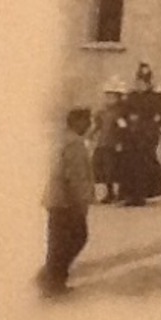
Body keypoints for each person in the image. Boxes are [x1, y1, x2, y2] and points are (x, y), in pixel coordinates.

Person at [38, 107, 95, 298]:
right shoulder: (75, 145)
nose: (90, 125)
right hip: (66, 201)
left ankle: (51, 277)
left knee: (57, 242)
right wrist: (82, 203)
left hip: (55, 199)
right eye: (87, 121)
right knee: (76, 238)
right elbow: (76, 177)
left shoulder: (64, 139)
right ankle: (53, 280)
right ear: (77, 123)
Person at [119, 62, 161, 205]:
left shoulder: (155, 97)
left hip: (147, 135)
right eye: (138, 82)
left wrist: (153, 125)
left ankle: (142, 194)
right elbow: (123, 113)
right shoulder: (131, 97)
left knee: (143, 162)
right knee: (129, 163)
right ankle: (129, 194)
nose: (139, 85)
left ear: (148, 83)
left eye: (143, 82)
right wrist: (124, 125)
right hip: (130, 135)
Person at [90, 80, 126, 204]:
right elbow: (97, 126)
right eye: (107, 96)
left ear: (118, 98)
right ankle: (107, 192)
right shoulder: (102, 112)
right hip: (103, 143)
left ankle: (116, 192)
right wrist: (90, 135)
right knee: (101, 168)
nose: (109, 99)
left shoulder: (120, 112)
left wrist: (121, 141)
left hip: (113, 144)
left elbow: (123, 129)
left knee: (114, 168)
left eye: (112, 97)